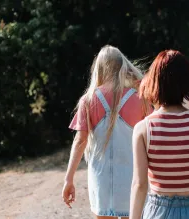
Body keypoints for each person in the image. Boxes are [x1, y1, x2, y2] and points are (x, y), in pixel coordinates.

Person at [130, 50, 189, 219]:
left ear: (153, 82)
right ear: (188, 82)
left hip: (159, 211)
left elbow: (140, 184)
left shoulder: (144, 128)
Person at [62, 45, 150, 219]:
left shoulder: (88, 99)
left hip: (100, 177)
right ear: (122, 66)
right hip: (132, 177)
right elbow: (152, 137)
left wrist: (68, 179)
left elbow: (80, 141)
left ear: (99, 68)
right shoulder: (139, 98)